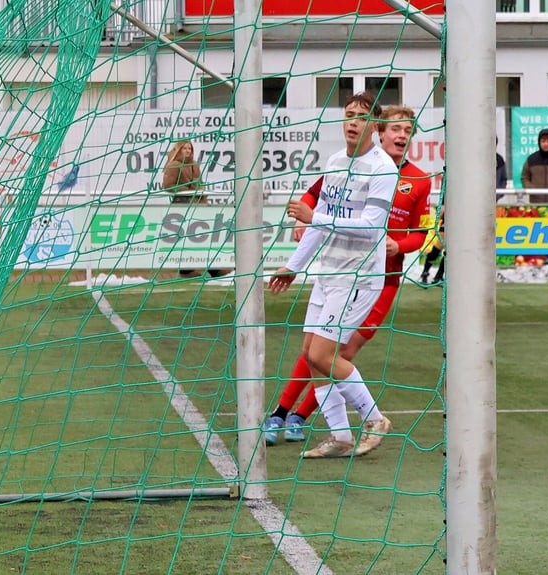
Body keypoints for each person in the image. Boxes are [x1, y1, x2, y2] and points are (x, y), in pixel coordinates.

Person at [263, 104, 431, 453]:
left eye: (406, 129)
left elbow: (383, 227)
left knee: (331, 353)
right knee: (312, 353)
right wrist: (295, 264)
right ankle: (338, 435)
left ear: (374, 126)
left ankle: (373, 418)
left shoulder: (393, 173)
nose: (353, 121)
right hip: (330, 272)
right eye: (349, 114)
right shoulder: (337, 162)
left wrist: (398, 244)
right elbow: (319, 213)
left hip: (363, 277)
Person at [161, 139, 229, 278]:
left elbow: (200, 183)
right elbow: (168, 185)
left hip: (198, 204)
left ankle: (213, 268)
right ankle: (186, 270)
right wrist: (188, 190)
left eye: (189, 148)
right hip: (182, 204)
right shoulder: (174, 165)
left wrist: (202, 196)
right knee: (187, 238)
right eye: (184, 148)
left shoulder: (195, 165)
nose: (187, 151)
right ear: (179, 150)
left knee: (204, 236)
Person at [420, 205, 445, 285]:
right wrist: (443, 207)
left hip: (460, 219)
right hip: (448, 218)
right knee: (439, 246)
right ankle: (425, 272)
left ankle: (439, 276)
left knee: (450, 251)